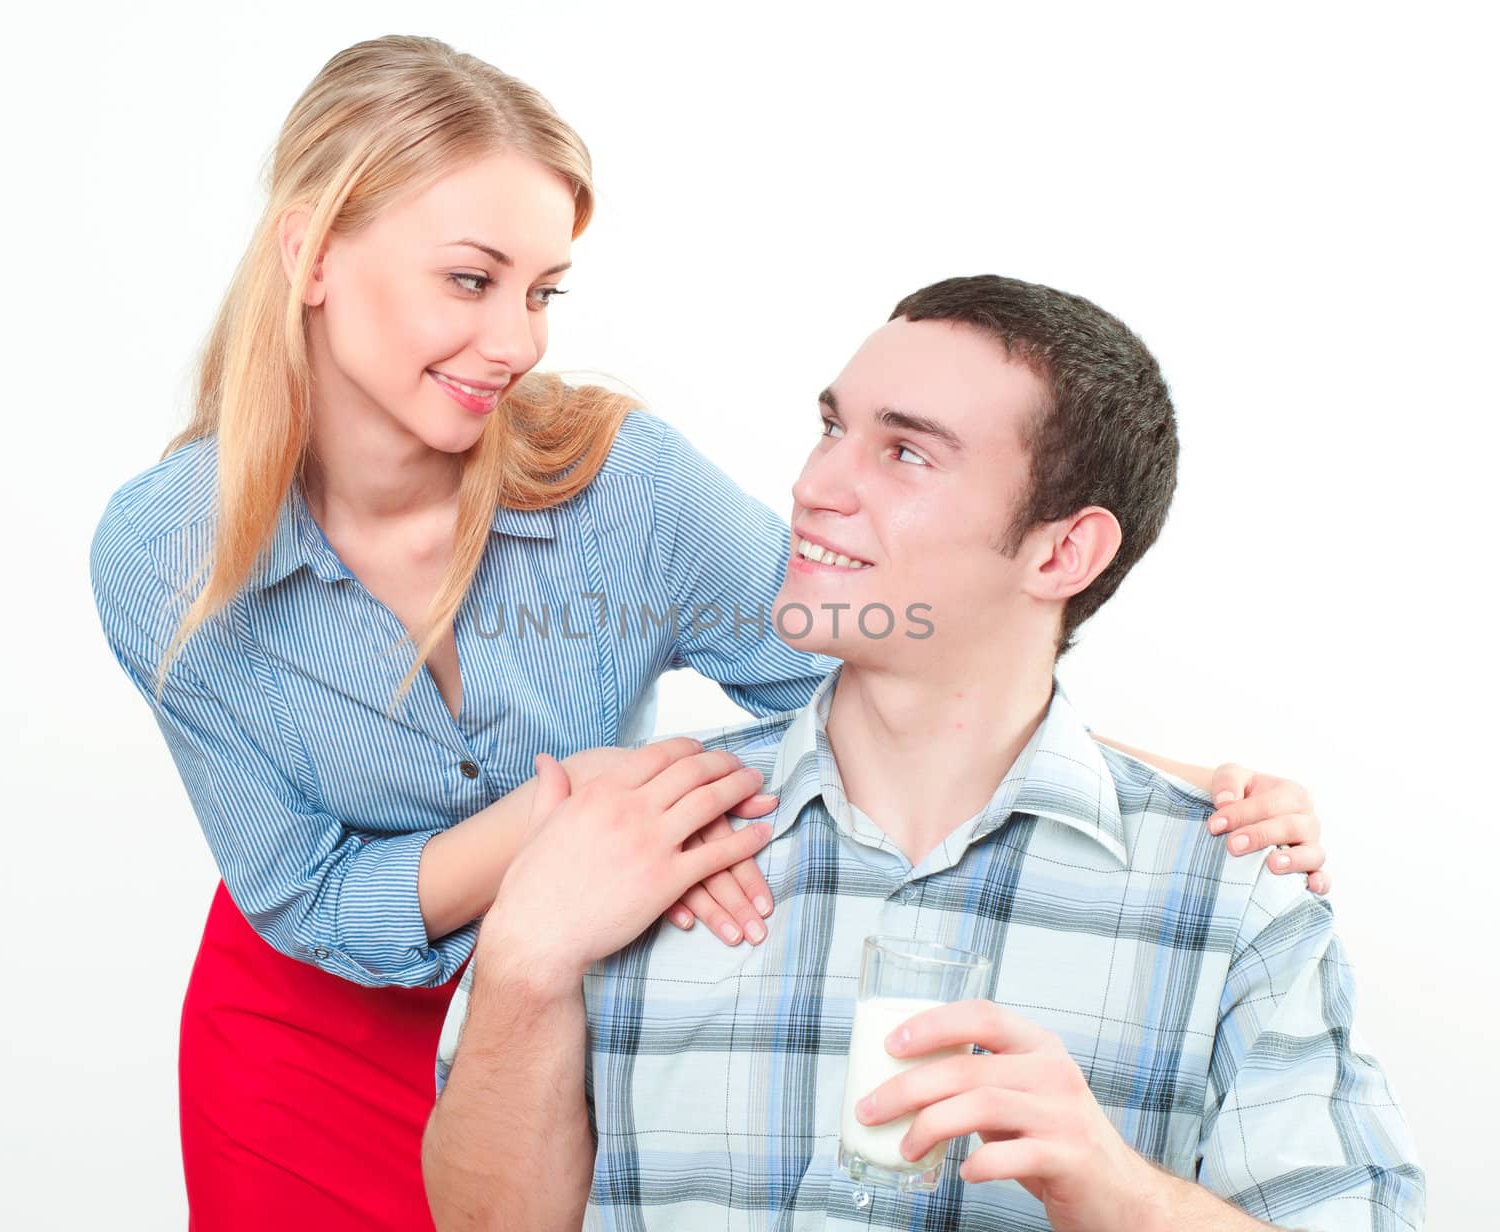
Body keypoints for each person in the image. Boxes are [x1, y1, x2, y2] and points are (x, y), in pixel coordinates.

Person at [91, 35, 1328, 1232]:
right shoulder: (163, 555)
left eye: (541, 292)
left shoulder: (615, 480)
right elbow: (302, 893)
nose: (518, 342)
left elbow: (872, 668)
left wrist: (1170, 787)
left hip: (586, 990)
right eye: (471, 280)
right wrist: (577, 816)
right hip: (310, 1035)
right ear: (308, 250)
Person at [426, 275, 1422, 1231]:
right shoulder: (628, 834)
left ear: (1061, 552)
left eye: (905, 453)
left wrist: (1116, 1188)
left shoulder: (1231, 895)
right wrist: (523, 960)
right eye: (831, 428)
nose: (814, 485)